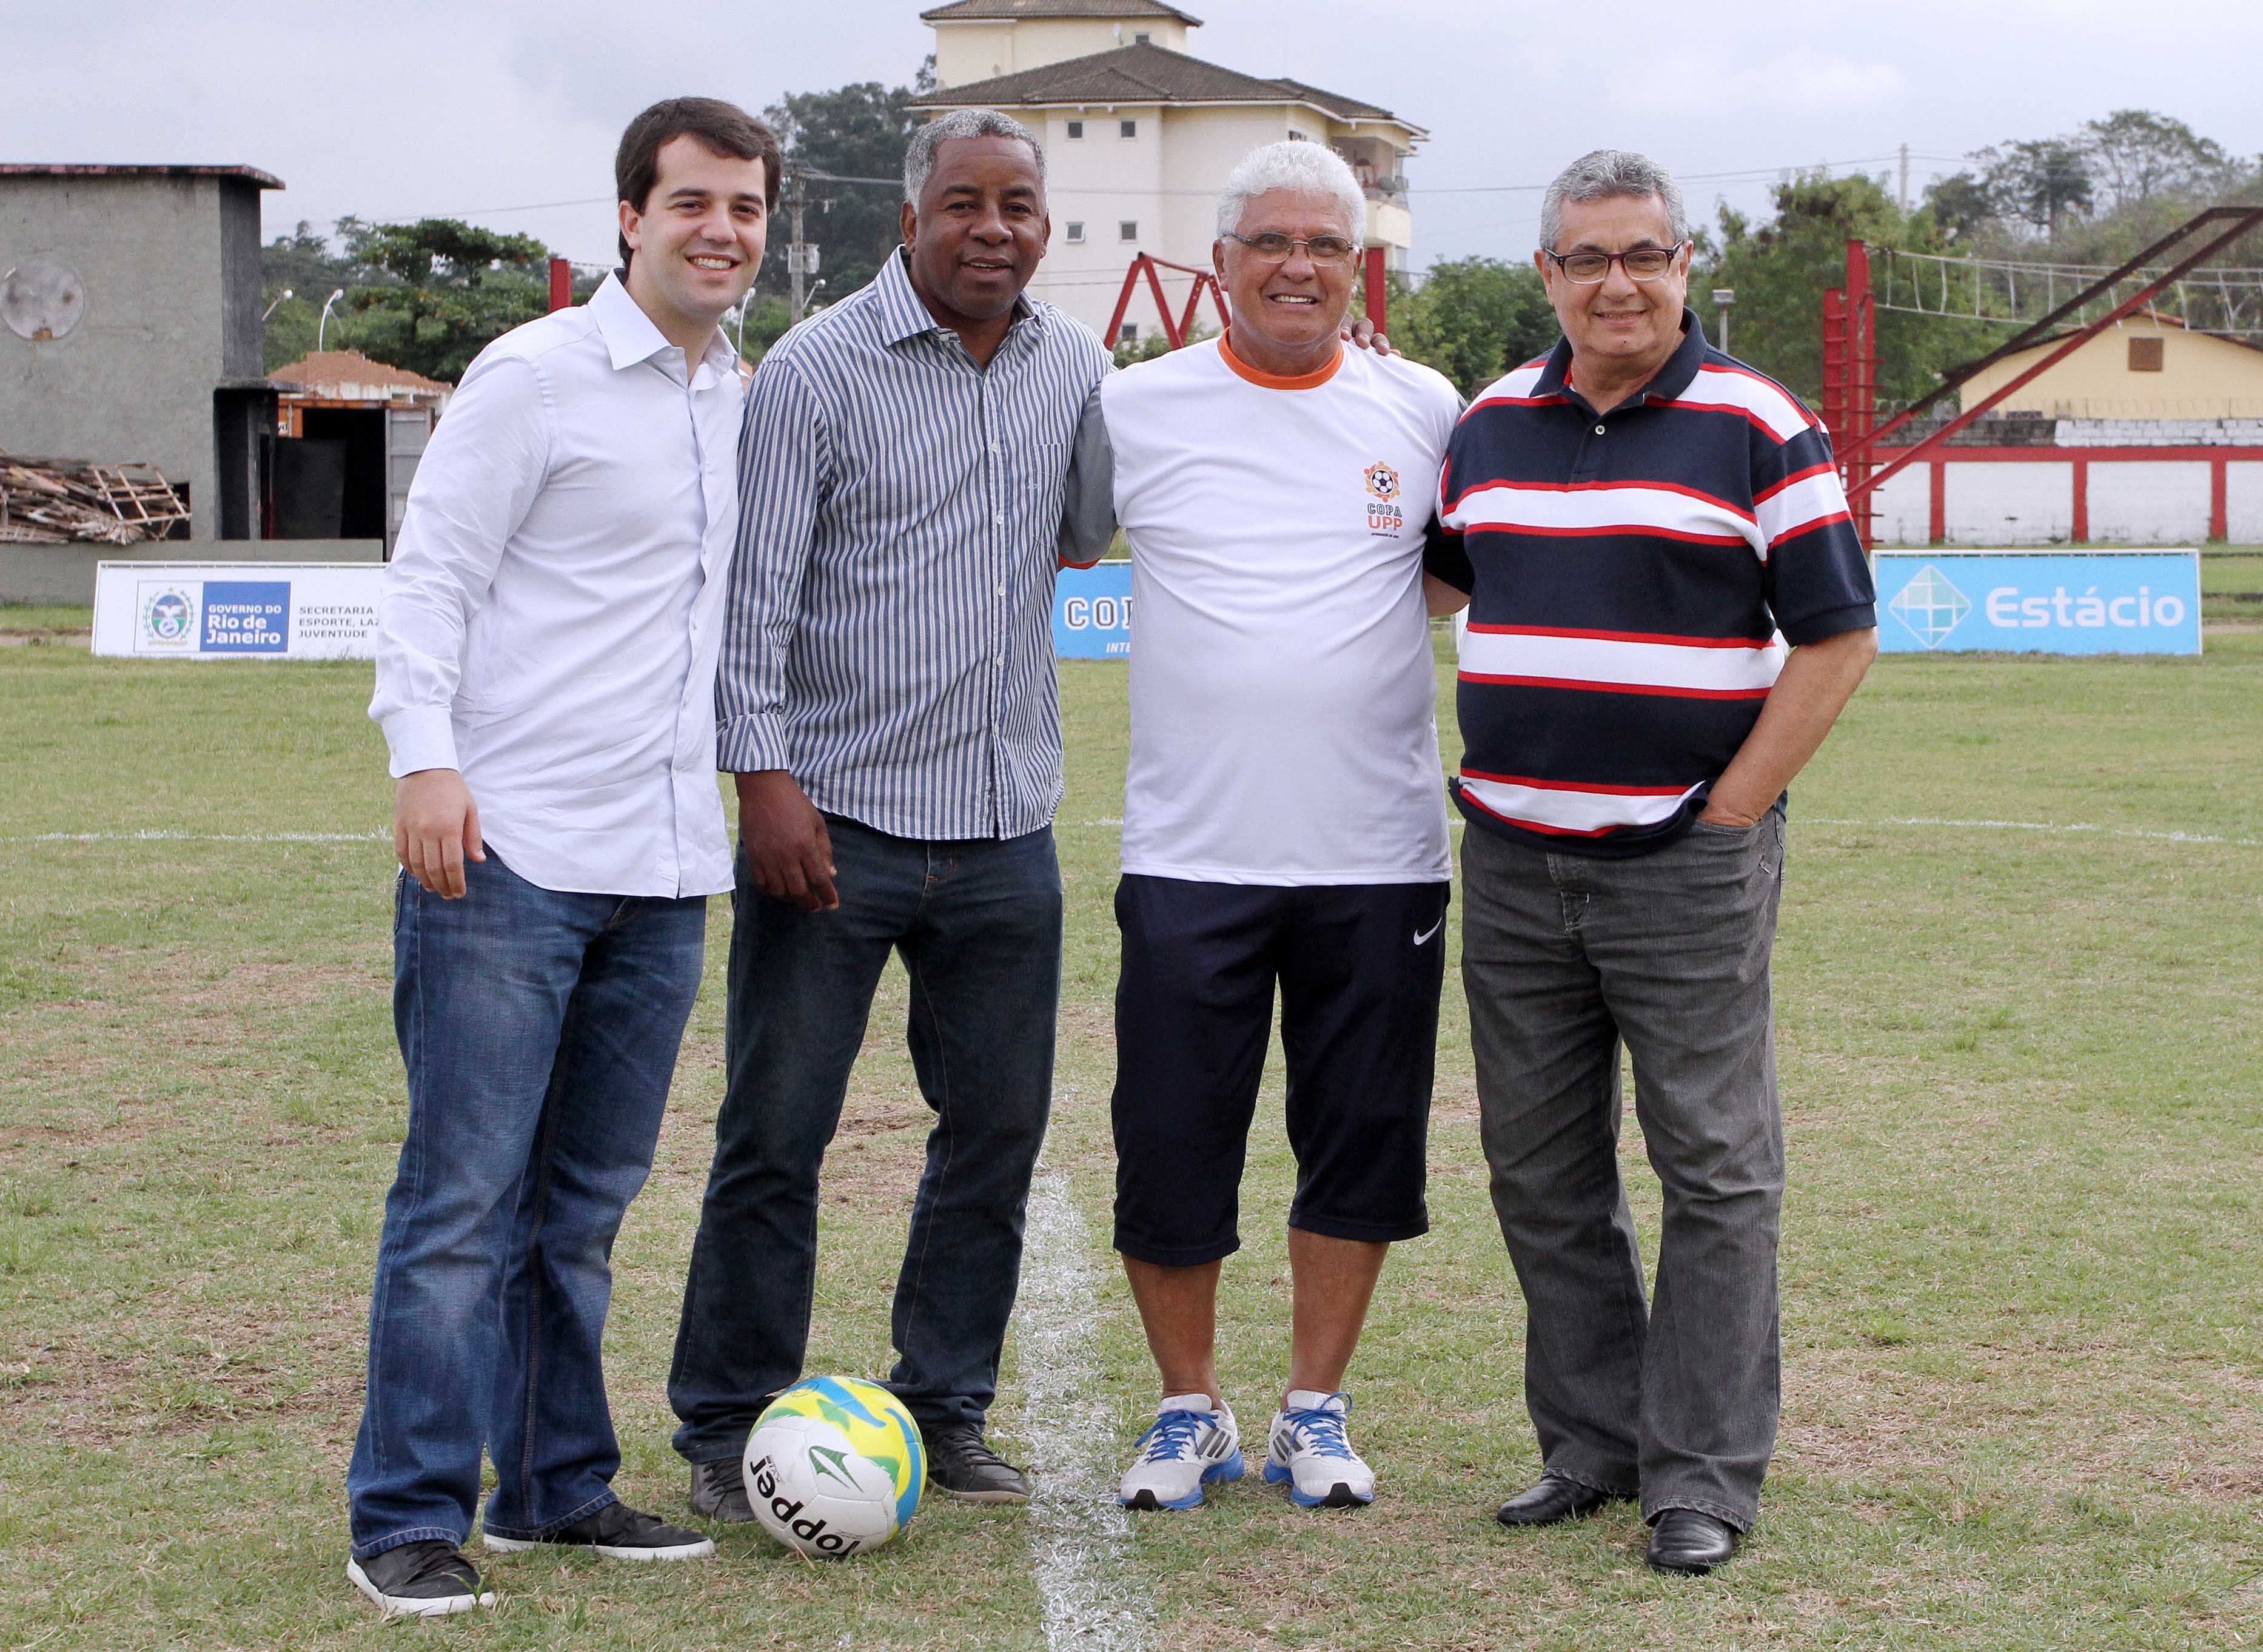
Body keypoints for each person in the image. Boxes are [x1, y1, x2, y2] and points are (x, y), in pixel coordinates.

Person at [347, 98, 777, 1617]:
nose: (721, 230)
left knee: (582, 1207)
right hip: (508, 852)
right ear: (628, 219)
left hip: (665, 866)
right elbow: (433, 581)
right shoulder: (532, 378)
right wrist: (427, 763)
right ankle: (407, 1510)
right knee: (461, 1203)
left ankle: (554, 1486)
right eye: (692, 205)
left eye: (744, 207)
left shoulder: (743, 393)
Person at [1426, 149, 1877, 1575]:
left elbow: (1839, 634)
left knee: (1715, 1167)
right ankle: (1594, 1442)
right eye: (1588, 259)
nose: (1619, 283)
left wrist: (1732, 811)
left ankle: (1703, 1475)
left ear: (1687, 267)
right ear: (1547, 274)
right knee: (1539, 1169)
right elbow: (1442, 581)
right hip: (1508, 860)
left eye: (1647, 255)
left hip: (1683, 860)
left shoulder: (1762, 425)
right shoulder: (1489, 423)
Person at [666, 107, 1113, 1514]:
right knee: (775, 1133)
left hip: (1003, 829)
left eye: (1022, 206)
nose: (996, 229)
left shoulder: (1073, 365)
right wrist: (768, 782)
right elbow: (757, 599)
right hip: (836, 824)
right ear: (907, 221)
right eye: (967, 204)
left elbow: (1085, 534)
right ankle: (726, 1423)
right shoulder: (814, 370)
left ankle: (946, 1407)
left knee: (996, 1132)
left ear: (1047, 226)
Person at [1087, 140, 1467, 1514]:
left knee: (1359, 1138)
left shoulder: (1423, 406)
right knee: (1174, 1139)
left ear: (1358, 264)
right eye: (1271, 243)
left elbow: (1451, 582)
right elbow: (1047, 544)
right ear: (1224, 263)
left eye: (1326, 244)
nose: (1299, 265)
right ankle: (1188, 1408)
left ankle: (1316, 1407)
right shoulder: (1135, 407)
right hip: (1190, 851)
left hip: (1378, 855)